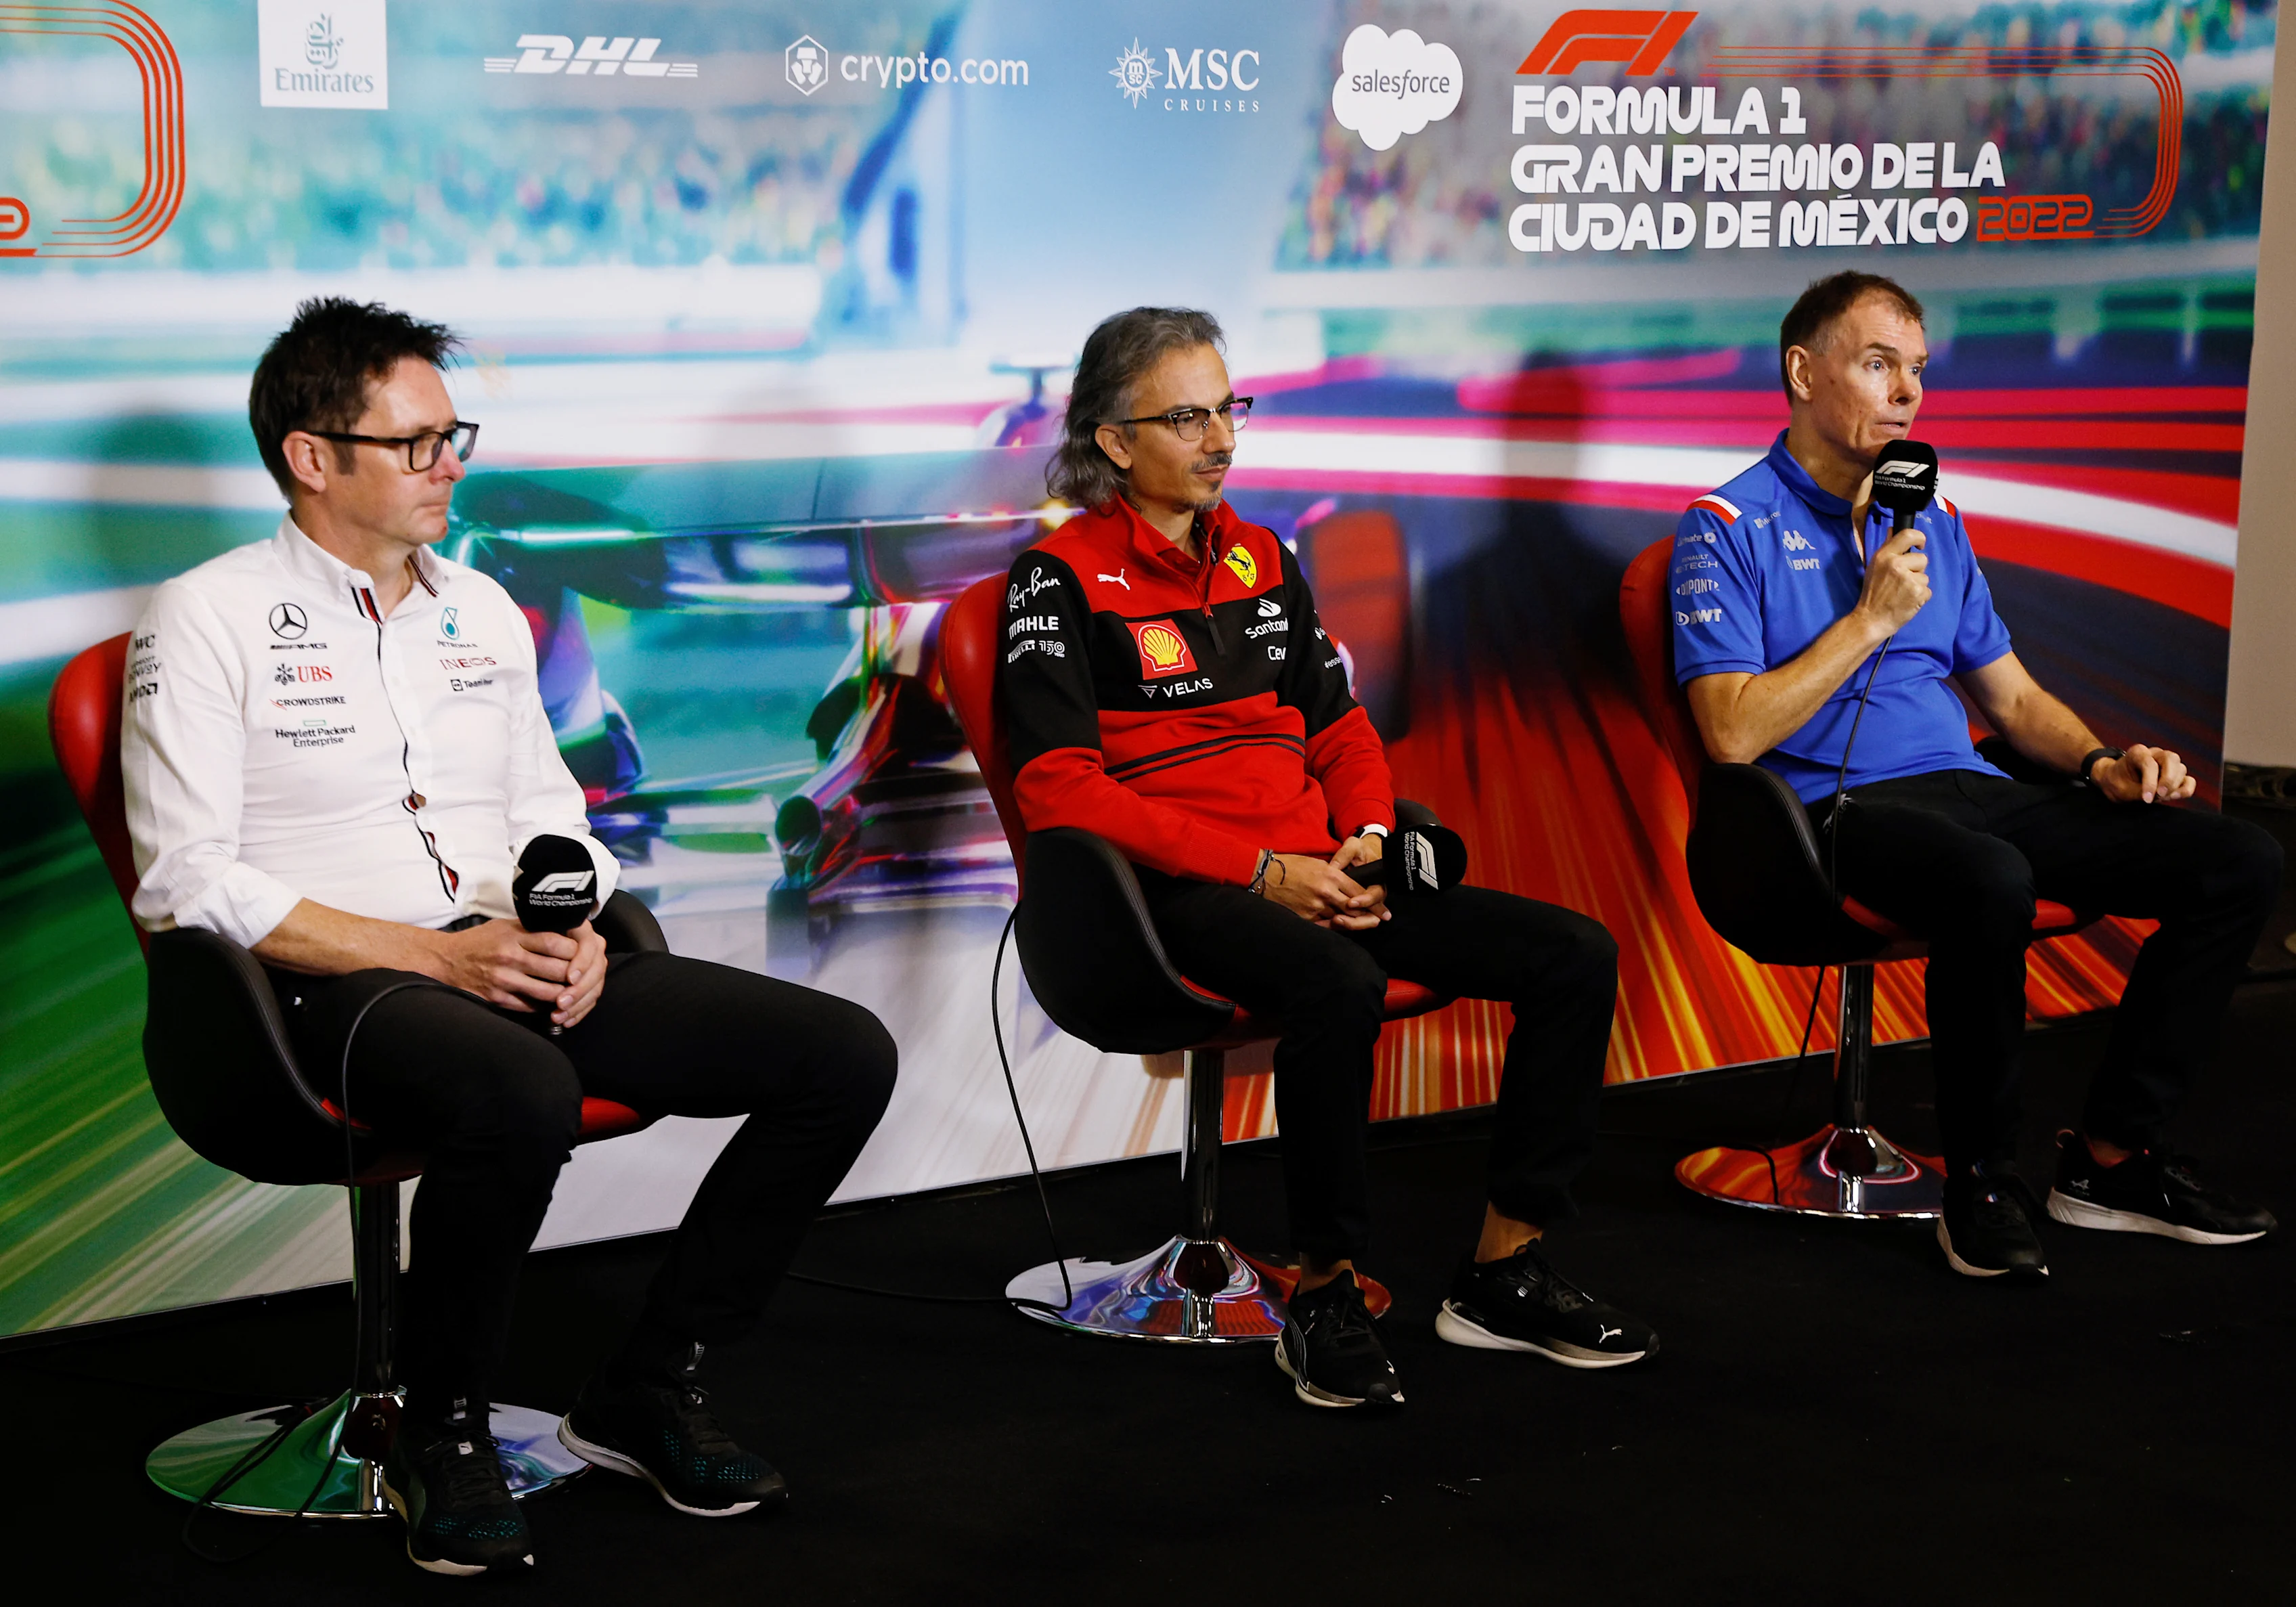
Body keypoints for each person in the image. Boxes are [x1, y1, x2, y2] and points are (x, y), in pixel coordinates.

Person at [122, 299, 897, 1576]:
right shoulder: (205, 615)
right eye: (418, 441)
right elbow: (187, 884)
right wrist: (437, 956)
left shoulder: (481, 606)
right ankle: (444, 1429)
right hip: (316, 992)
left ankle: (647, 1386)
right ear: (312, 457)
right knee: (521, 1083)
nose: (451, 464)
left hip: (501, 955)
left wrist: (577, 921)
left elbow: (555, 815)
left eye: (454, 435)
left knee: (841, 1054)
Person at [998, 307, 1654, 1411]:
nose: (1221, 439)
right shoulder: (1056, 580)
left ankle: (1502, 1269)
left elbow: (1340, 724)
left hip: (1320, 865)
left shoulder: (1263, 554)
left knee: (1573, 954)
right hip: (1176, 897)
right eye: (1187, 417)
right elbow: (1056, 786)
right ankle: (1325, 1294)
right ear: (1114, 440)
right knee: (1338, 986)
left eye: (1228, 409)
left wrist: (1366, 836)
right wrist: (1263, 873)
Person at [1673, 269, 2281, 1281]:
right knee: (1989, 876)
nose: (1909, 393)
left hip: (1969, 789)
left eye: (1917, 370)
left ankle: (2112, 1159)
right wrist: (1868, 620)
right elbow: (1731, 735)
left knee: (2240, 860)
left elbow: (2012, 700)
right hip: (1826, 812)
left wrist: (2100, 761)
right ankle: (1983, 1186)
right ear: (1802, 371)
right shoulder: (1724, 527)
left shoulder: (1932, 519)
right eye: (1880, 365)